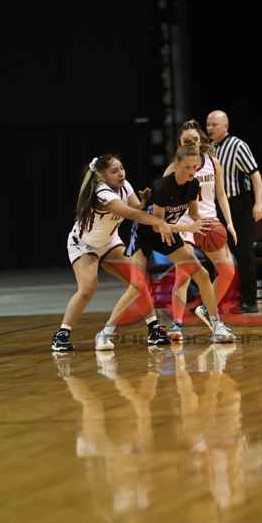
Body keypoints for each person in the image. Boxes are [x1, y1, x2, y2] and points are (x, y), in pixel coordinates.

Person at [94, 146, 236, 346]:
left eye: (195, 167)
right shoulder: (162, 187)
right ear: (176, 165)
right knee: (137, 285)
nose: (192, 171)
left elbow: (194, 214)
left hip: (168, 234)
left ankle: (217, 326)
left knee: (202, 275)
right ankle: (106, 332)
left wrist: (206, 225)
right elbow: (158, 224)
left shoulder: (193, 184)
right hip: (145, 233)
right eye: (187, 167)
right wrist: (188, 227)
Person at [51, 154, 177, 352]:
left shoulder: (124, 185)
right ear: (102, 176)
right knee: (87, 289)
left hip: (109, 242)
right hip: (84, 245)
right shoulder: (101, 193)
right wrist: (159, 222)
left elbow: (136, 207)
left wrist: (144, 202)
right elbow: (131, 214)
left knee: (138, 281)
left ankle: (154, 329)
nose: (121, 173)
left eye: (121, 168)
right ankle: (61, 335)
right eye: (114, 171)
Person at [163, 120, 237, 341]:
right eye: (186, 140)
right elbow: (162, 200)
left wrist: (229, 223)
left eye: (194, 139)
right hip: (185, 224)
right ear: (180, 143)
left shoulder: (213, 163)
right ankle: (177, 324)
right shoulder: (174, 168)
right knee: (183, 274)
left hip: (209, 224)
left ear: (201, 140)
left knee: (228, 271)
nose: (191, 143)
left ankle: (206, 308)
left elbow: (221, 194)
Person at [206, 109, 262, 313]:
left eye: (214, 124)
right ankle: (214, 301)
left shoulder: (238, 146)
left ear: (225, 126)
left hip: (239, 205)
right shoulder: (209, 149)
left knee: (244, 253)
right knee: (214, 255)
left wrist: (259, 203)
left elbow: (255, 175)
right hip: (216, 207)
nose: (209, 128)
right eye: (208, 124)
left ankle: (250, 301)